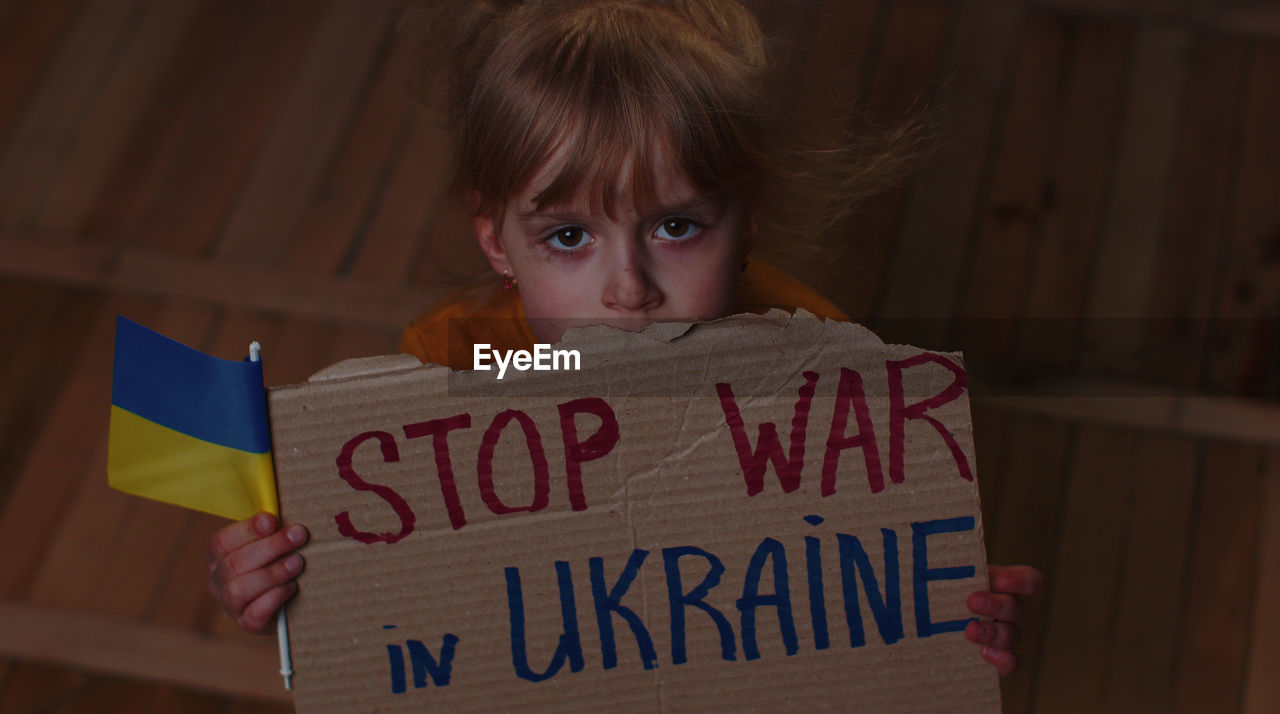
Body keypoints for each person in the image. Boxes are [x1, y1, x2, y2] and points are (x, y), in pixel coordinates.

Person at [206, 0, 1042, 678]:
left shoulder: (818, 367)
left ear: (745, 220)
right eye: (568, 237)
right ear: (498, 241)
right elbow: (406, 606)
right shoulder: (461, 362)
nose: (629, 291)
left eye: (677, 226)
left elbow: (858, 573)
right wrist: (286, 593)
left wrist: (939, 617)